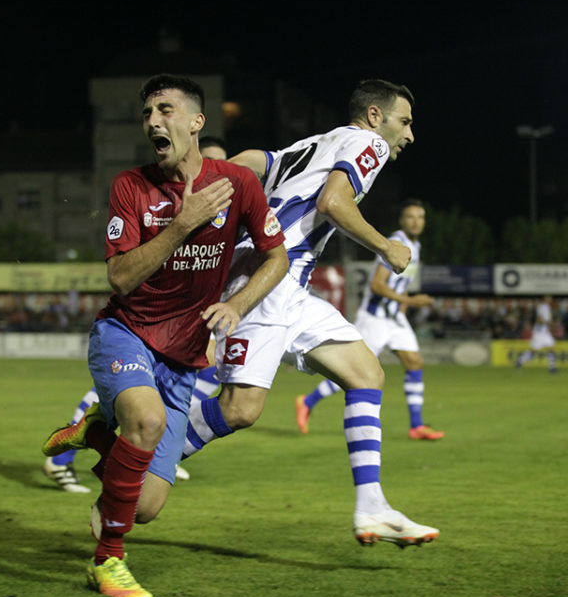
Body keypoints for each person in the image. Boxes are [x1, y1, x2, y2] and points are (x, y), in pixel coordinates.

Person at [42, 74, 287, 597]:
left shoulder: (237, 184)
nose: (154, 120)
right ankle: (107, 563)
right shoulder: (130, 187)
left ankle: (98, 434)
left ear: (197, 122)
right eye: (148, 112)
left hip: (184, 356)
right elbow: (120, 278)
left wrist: (238, 304)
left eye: (166, 109)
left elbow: (277, 255)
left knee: (145, 506)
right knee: (148, 422)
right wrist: (181, 225)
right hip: (125, 332)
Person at [178, 79, 440, 549]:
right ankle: (142, 458)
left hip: (286, 285)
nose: (410, 134)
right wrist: (386, 248)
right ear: (376, 117)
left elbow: (262, 161)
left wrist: (208, 175)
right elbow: (332, 203)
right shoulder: (369, 143)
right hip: (268, 280)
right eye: (405, 122)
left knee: (366, 374)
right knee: (238, 409)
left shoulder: (322, 141)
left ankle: (372, 505)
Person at [43, 136, 231, 493]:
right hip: (149, 319)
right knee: (130, 386)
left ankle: (150, 455)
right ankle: (65, 460)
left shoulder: (226, 206)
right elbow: (128, 266)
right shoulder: (161, 200)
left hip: (194, 317)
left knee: (169, 384)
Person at [295, 199, 445, 440]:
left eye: (420, 217)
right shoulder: (397, 242)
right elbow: (377, 285)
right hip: (375, 318)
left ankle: (416, 426)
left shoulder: (415, 248)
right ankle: (308, 402)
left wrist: (403, 309)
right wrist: (411, 301)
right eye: (410, 217)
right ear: (402, 221)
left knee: (415, 363)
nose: (416, 222)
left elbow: (399, 284)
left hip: (393, 316)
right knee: (355, 371)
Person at [515, 295, 557, 372]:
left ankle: (552, 368)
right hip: (540, 332)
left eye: (550, 299)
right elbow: (539, 319)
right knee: (539, 350)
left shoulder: (546, 307)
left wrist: (548, 324)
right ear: (545, 299)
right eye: (548, 298)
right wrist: (548, 323)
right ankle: (552, 368)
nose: (550, 300)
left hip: (543, 331)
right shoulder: (543, 307)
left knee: (548, 348)